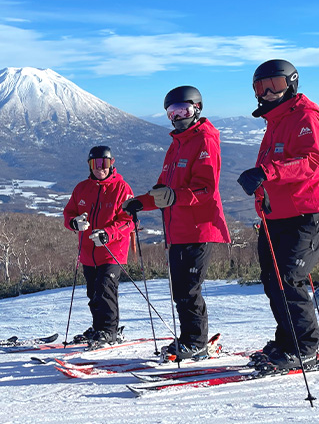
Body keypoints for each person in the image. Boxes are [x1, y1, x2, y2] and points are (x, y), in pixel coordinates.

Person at [237, 59, 319, 370]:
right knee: (272, 279)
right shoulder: (275, 121)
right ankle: (287, 339)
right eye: (260, 87)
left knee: (289, 278)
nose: (266, 93)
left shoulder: (305, 114)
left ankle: (305, 346)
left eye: (274, 85)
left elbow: (310, 161)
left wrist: (266, 172)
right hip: (275, 214)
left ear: (291, 83)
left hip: (306, 212)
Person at [122, 86, 231, 360]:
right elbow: (165, 194)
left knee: (189, 289)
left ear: (197, 109)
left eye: (184, 110)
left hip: (198, 226)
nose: (178, 117)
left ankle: (196, 342)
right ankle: (189, 339)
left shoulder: (204, 140)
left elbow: (206, 188)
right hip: (177, 229)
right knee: (180, 290)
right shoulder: (177, 144)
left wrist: (174, 196)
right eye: (173, 112)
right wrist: (141, 202)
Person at [63, 146, 135, 346]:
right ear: (90, 165)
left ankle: (109, 330)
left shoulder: (122, 188)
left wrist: (108, 234)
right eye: (95, 164)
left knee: (105, 288)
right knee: (93, 292)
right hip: (88, 252)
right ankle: (98, 327)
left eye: (104, 163)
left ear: (112, 164)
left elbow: (128, 221)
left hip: (112, 251)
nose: (100, 168)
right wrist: (74, 223)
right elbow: (68, 213)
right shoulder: (82, 188)